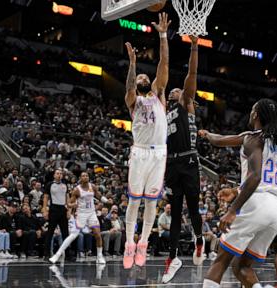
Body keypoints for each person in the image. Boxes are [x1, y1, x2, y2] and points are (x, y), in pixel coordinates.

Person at [199, 99, 277, 288]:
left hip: (256, 203)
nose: (250, 113)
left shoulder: (252, 137)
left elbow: (256, 175)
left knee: (221, 261)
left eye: (251, 110)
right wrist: (208, 135)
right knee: (241, 266)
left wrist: (233, 210)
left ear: (256, 114)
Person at [123, 12, 171, 269]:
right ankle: (129, 243)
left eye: (144, 76)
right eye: (139, 77)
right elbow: (129, 87)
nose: (142, 77)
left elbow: (163, 64)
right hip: (140, 152)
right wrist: (132, 63)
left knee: (152, 201)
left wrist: (163, 35)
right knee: (134, 200)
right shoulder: (134, 101)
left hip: (159, 153)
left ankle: (143, 244)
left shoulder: (159, 93)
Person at [162, 35, 205, 283]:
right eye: (174, 89)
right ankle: (173, 257)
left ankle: (199, 238)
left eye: (178, 89)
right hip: (172, 164)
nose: (175, 90)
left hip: (189, 161)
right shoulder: (164, 111)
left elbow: (192, 72)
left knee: (192, 207)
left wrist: (195, 47)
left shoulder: (186, 103)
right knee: (175, 213)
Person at [49, 172, 106, 264]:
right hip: (81, 214)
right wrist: (73, 205)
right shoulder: (77, 190)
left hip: (91, 213)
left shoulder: (93, 186)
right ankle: (57, 255)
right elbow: (69, 204)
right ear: (80, 178)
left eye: (87, 175)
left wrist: (107, 200)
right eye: (83, 175)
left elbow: (99, 196)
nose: (85, 177)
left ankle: (99, 256)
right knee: (73, 235)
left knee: (97, 235)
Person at [42, 169, 69, 261]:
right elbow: (45, 198)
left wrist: (68, 211)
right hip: (53, 209)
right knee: (50, 232)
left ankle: (69, 254)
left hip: (63, 209)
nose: (59, 175)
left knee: (66, 233)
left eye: (61, 173)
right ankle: (46, 254)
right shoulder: (49, 184)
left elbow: (67, 198)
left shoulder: (65, 184)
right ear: (54, 175)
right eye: (57, 173)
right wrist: (45, 210)